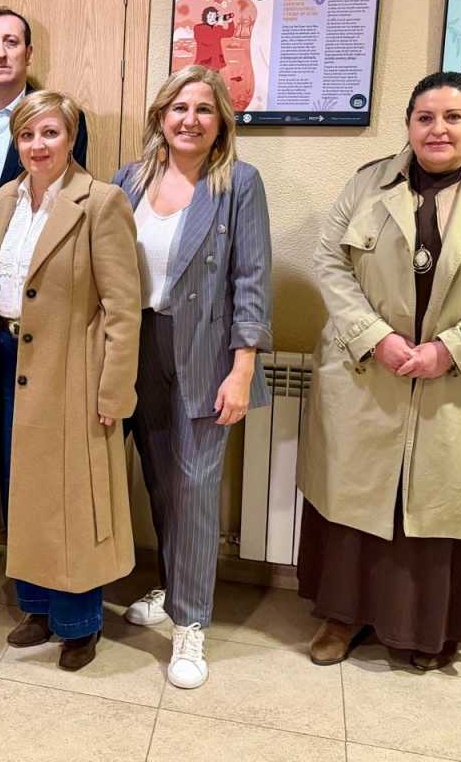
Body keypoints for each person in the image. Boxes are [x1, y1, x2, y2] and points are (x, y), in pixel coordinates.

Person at [298, 70, 461, 670]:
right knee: (358, 500)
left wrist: (451, 349)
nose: (437, 129)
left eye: (452, 117)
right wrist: (375, 337)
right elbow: (328, 261)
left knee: (443, 501)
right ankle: (343, 616)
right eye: (424, 118)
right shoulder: (366, 186)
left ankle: (428, 631)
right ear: (409, 125)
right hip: (370, 374)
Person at [114, 65, 273, 689]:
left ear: (220, 123)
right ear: (160, 116)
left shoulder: (240, 183)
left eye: (204, 110)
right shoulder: (129, 180)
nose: (190, 119)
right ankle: (172, 587)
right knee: (157, 478)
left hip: (208, 353)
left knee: (197, 488)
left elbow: (252, 280)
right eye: (179, 107)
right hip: (139, 347)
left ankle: (191, 624)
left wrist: (242, 368)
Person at [0, 90, 140, 672]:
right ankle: (38, 609)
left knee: (71, 497)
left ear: (70, 138)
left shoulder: (101, 202)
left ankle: (79, 624)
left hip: (73, 366)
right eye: (26, 135)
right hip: (5, 355)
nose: (37, 146)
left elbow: (124, 307)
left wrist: (114, 390)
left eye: (49, 133)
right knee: (21, 490)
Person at [0, 7, 88, 191]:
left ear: (28, 53)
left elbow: (73, 192)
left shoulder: (63, 117)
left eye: (11, 42)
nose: (0, 54)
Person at [192, 7, 234, 71]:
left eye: (214, 16)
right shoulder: (198, 28)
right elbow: (210, 40)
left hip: (216, 62)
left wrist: (230, 22)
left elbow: (229, 33)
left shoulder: (216, 28)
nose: (212, 18)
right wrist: (219, 25)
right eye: (210, 15)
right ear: (205, 17)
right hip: (204, 62)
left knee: (215, 79)